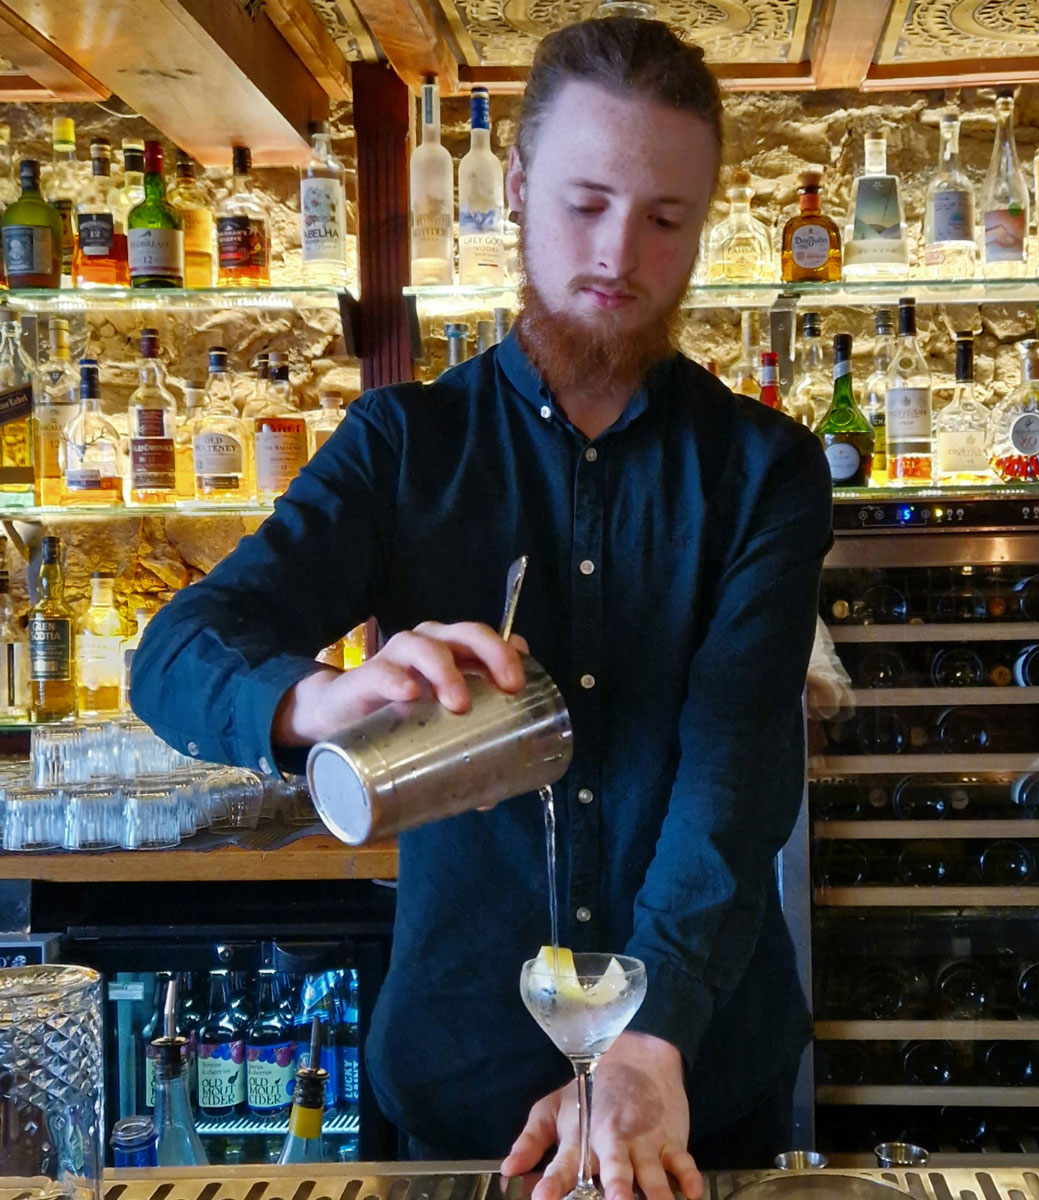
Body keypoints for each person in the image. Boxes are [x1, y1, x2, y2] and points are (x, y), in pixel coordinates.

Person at [131, 15, 832, 1200]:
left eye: (666, 221)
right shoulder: (406, 446)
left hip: (692, 1077)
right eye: (585, 202)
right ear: (514, 188)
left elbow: (736, 761)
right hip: (465, 1083)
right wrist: (318, 697)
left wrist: (650, 1037)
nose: (619, 251)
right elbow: (175, 654)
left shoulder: (765, 469)